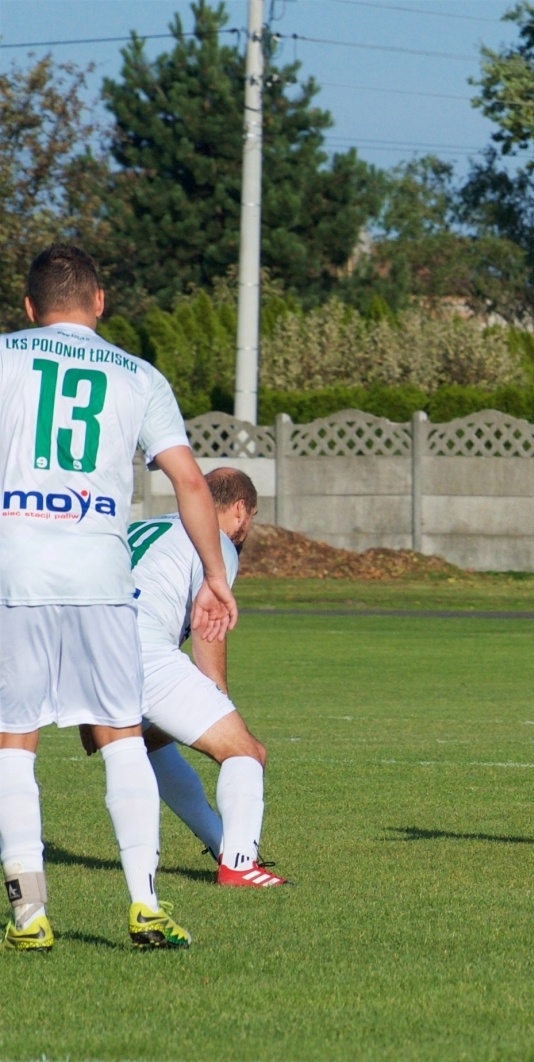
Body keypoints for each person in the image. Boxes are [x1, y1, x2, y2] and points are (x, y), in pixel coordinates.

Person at [0, 244, 236, 952]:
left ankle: (29, 914)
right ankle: (144, 903)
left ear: (30, 307)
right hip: (104, 578)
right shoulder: (138, 375)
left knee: (15, 742)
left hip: (18, 572)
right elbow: (191, 484)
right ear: (100, 302)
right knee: (121, 736)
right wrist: (214, 574)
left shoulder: (6, 356)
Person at [85, 467, 286, 887]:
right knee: (246, 752)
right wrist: (220, 702)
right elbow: (208, 624)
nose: (247, 528)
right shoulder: (216, 543)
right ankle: (240, 865)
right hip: (139, 649)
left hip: (86, 648)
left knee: (153, 742)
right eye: (250, 517)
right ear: (238, 510)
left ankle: (222, 845)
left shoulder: (146, 527)